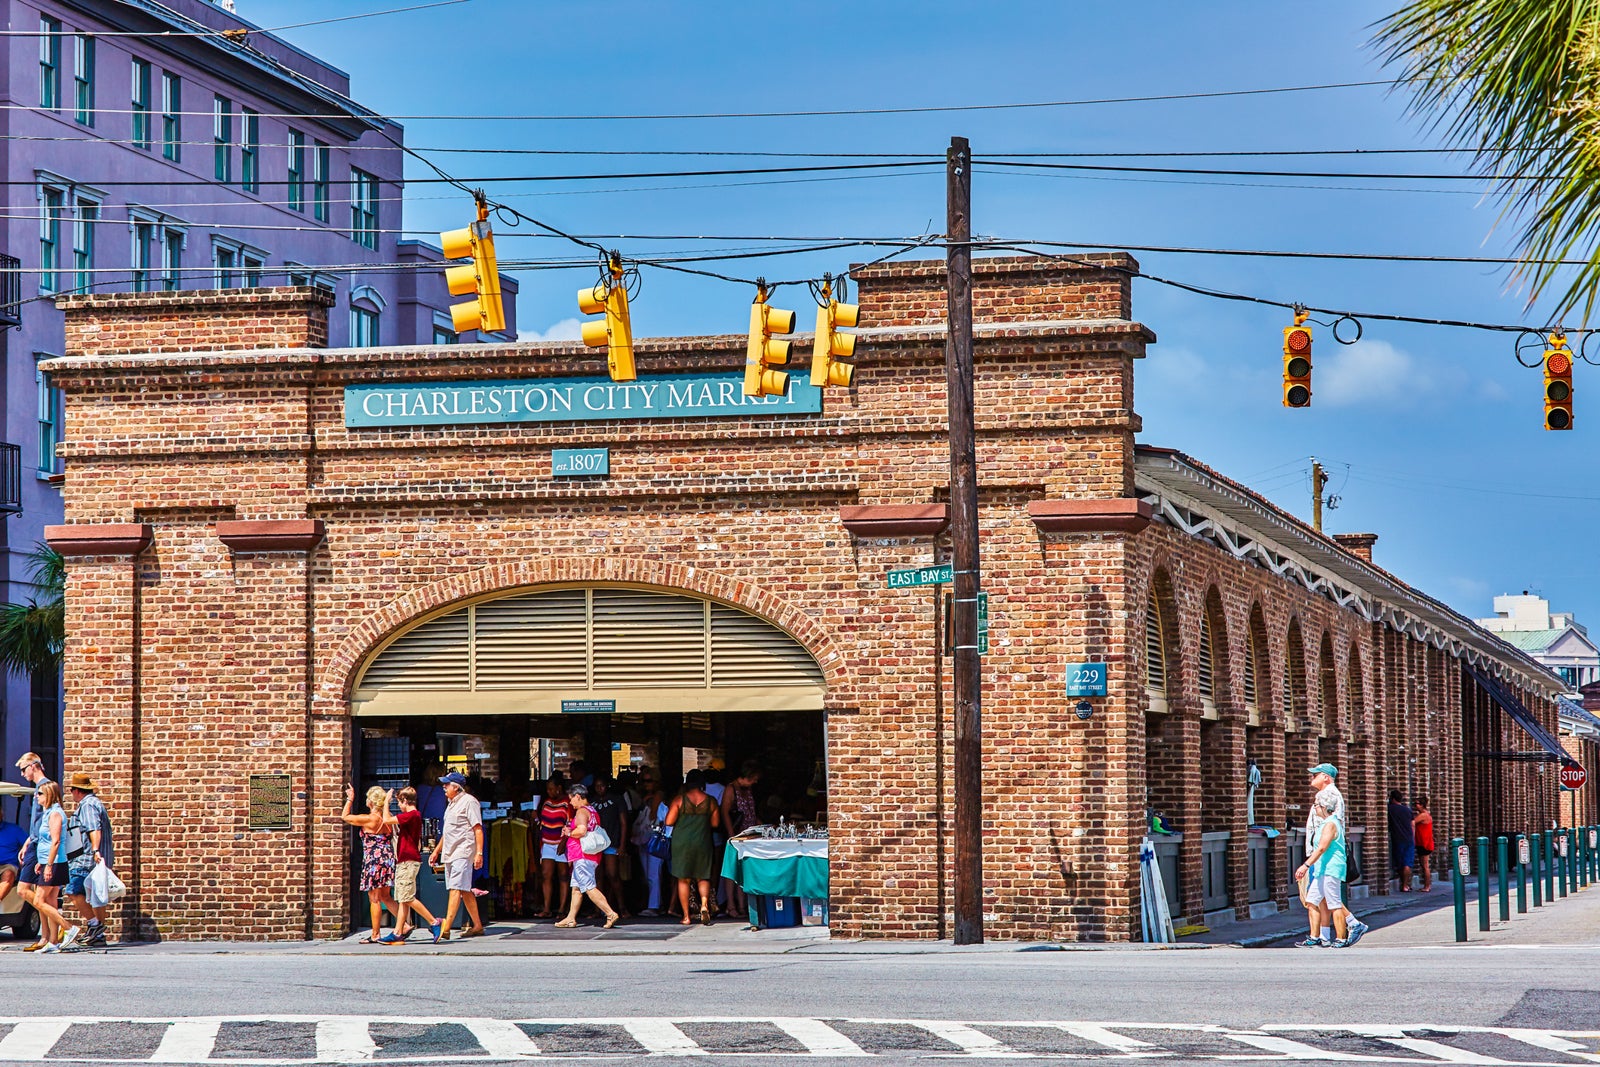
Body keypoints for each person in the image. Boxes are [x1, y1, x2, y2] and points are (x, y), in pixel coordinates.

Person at [1300, 765, 1368, 946]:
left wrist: (1308, 862)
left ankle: (1350, 926)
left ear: (1325, 777)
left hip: (1326, 857)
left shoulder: (1330, 796)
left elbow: (1328, 833)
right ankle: (1321, 935)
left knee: (1331, 898)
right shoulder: (1325, 794)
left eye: (1315, 775)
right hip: (1320, 856)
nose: (1311, 778)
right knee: (1319, 898)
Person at [428, 771, 485, 941]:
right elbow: (448, 831)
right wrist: (437, 850)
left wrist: (479, 853)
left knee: (455, 888)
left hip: (463, 851)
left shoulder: (469, 802)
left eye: (446, 785)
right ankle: (477, 925)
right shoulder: (451, 803)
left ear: (456, 787)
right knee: (464, 889)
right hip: (450, 852)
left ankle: (445, 927)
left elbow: (477, 829)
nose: (443, 787)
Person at [341, 784, 401, 944]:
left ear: (371, 802)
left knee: (374, 898)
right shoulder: (388, 819)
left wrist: (350, 799)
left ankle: (375, 934)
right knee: (386, 896)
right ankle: (405, 924)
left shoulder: (369, 819)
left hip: (374, 860)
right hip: (387, 859)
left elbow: (345, 817)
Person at [555, 783, 620, 929]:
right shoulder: (592, 810)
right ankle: (571, 918)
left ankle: (610, 913)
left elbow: (582, 830)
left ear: (578, 797)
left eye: (571, 799)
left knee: (589, 887)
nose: (570, 802)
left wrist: (569, 833)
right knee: (576, 888)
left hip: (582, 855)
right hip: (589, 856)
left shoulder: (581, 812)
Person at [665, 769, 722, 925]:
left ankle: (686, 916)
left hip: (682, 843)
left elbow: (669, 821)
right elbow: (715, 824)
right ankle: (704, 905)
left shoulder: (679, 800)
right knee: (703, 876)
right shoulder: (711, 801)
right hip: (703, 841)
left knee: (683, 879)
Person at [63, 772, 112, 947]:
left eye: (71, 791)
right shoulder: (95, 803)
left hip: (85, 858)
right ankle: (98, 936)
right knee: (95, 896)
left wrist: (95, 850)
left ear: (77, 791)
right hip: (93, 857)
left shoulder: (88, 805)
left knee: (73, 889)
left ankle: (94, 924)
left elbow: (94, 829)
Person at [12, 752, 55, 952]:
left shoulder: (45, 787)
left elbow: (48, 822)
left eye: (23, 769)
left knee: (23, 890)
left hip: (40, 845)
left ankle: (60, 928)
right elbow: (37, 824)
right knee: (40, 895)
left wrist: (35, 845)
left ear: (34, 766)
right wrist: (27, 842)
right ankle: (46, 936)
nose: (22, 774)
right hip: (35, 843)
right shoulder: (39, 788)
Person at [1295, 793, 1351, 947]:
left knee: (1334, 903)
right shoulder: (1324, 824)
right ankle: (1315, 937)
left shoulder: (1331, 824)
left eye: (1317, 805)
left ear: (1325, 807)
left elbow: (1321, 848)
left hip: (1331, 868)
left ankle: (1341, 938)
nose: (1315, 807)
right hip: (1321, 869)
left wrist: (1305, 866)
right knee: (1312, 901)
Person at [30, 780, 79, 952]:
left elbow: (56, 841)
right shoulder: (48, 813)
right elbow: (45, 841)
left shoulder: (55, 814)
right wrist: (41, 861)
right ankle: (53, 942)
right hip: (47, 861)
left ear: (49, 794)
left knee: (39, 900)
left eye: (40, 794)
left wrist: (49, 865)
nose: (37, 796)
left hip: (55, 862)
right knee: (50, 900)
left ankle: (68, 927)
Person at [392, 786, 441, 942]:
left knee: (408, 897)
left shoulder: (411, 815)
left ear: (405, 800)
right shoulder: (413, 816)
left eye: (399, 802)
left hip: (408, 860)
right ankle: (398, 932)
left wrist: (386, 803)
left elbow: (387, 820)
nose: (398, 806)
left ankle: (434, 922)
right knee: (403, 898)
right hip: (405, 860)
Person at [720, 761, 761, 918]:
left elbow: (751, 812)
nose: (755, 782)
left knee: (744, 870)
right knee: (732, 871)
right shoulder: (731, 790)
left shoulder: (747, 789)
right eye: (753, 778)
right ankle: (731, 905)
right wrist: (732, 835)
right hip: (737, 836)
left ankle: (742, 905)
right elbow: (725, 812)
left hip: (749, 835)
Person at [590, 776, 629, 918]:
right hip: (596, 844)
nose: (600, 788)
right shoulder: (592, 801)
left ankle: (622, 907)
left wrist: (622, 844)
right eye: (597, 786)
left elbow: (624, 823)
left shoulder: (617, 799)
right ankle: (598, 909)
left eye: (602, 785)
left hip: (612, 842)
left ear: (607, 786)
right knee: (598, 876)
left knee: (613, 875)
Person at [535, 777, 571, 919]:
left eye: (551, 788)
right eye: (547, 789)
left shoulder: (566, 802)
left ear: (559, 788)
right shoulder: (547, 802)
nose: (549, 792)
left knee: (563, 875)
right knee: (546, 875)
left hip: (561, 843)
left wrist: (563, 842)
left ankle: (562, 908)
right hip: (547, 843)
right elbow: (542, 822)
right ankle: (547, 908)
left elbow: (569, 823)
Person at [632, 776, 666, 917]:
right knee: (648, 874)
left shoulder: (659, 795)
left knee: (652, 873)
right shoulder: (644, 797)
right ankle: (657, 903)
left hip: (654, 836)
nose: (646, 784)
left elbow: (653, 815)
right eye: (644, 781)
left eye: (649, 780)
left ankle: (654, 906)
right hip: (644, 837)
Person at [1387, 789, 1415, 893]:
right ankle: (1405, 885)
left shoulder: (1390, 809)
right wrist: (1413, 837)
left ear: (1392, 799)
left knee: (1399, 863)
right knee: (1407, 863)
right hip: (1408, 838)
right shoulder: (1407, 810)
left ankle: (1402, 884)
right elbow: (1413, 824)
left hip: (1397, 838)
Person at [1413, 796, 1435, 891]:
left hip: (1424, 843)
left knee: (1425, 865)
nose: (1415, 806)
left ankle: (1427, 886)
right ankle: (1426, 886)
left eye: (1417, 804)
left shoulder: (1423, 815)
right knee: (1424, 865)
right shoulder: (1426, 814)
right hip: (1424, 842)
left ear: (1422, 805)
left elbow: (1413, 822)